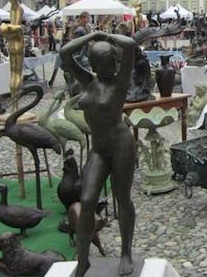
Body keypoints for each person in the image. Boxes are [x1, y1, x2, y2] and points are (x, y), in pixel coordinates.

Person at [60, 31, 137, 277]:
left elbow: (131, 44)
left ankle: (126, 252)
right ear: (94, 65)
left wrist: (107, 36)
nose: (112, 68)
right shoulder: (88, 80)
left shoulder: (120, 81)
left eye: (114, 63)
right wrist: (91, 35)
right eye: (106, 64)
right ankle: (83, 259)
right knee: (87, 199)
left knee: (122, 199)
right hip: (99, 149)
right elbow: (65, 53)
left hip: (121, 145)